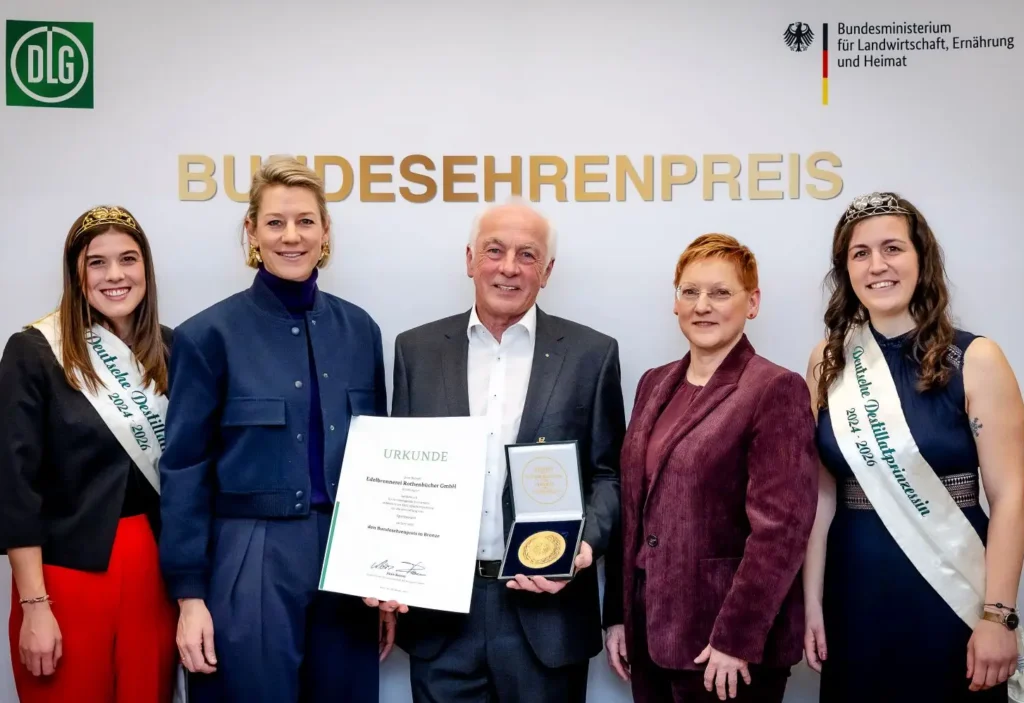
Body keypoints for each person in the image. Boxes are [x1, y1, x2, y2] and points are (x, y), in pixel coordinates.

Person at [157, 157, 393, 702]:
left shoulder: (361, 330)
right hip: (249, 554)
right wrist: (190, 597)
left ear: (326, 233)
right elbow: (184, 469)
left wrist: (386, 579)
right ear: (252, 232)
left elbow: (381, 464)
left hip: (347, 559)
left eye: (306, 222)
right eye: (276, 222)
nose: (292, 236)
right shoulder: (206, 335)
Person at [390, 199, 625, 703]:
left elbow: (609, 474)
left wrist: (585, 545)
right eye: (495, 251)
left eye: (527, 254)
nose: (509, 267)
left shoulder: (592, 354)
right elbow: (398, 475)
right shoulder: (416, 352)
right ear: (470, 258)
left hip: (548, 616)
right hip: (442, 618)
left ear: (548, 271)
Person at [802, 191, 1024, 701]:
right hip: (853, 585)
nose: (878, 265)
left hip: (952, 590)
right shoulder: (827, 360)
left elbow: (1011, 495)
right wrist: (810, 603)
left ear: (921, 259)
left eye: (893, 248)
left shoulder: (977, 357)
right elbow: (820, 496)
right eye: (860, 253)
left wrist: (999, 614)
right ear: (846, 270)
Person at [603, 233, 818, 703]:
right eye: (690, 291)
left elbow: (781, 531)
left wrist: (735, 639)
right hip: (649, 631)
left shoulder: (775, 389)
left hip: (725, 648)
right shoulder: (654, 383)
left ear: (752, 302)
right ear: (675, 301)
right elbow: (634, 509)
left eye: (721, 293)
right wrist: (617, 615)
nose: (703, 305)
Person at [0, 205, 178, 702]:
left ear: (146, 269)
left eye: (128, 259)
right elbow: (14, 487)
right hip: (64, 577)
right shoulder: (34, 351)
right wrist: (35, 605)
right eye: (96, 262)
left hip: (153, 571)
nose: (115, 275)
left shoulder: (170, 350)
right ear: (76, 274)